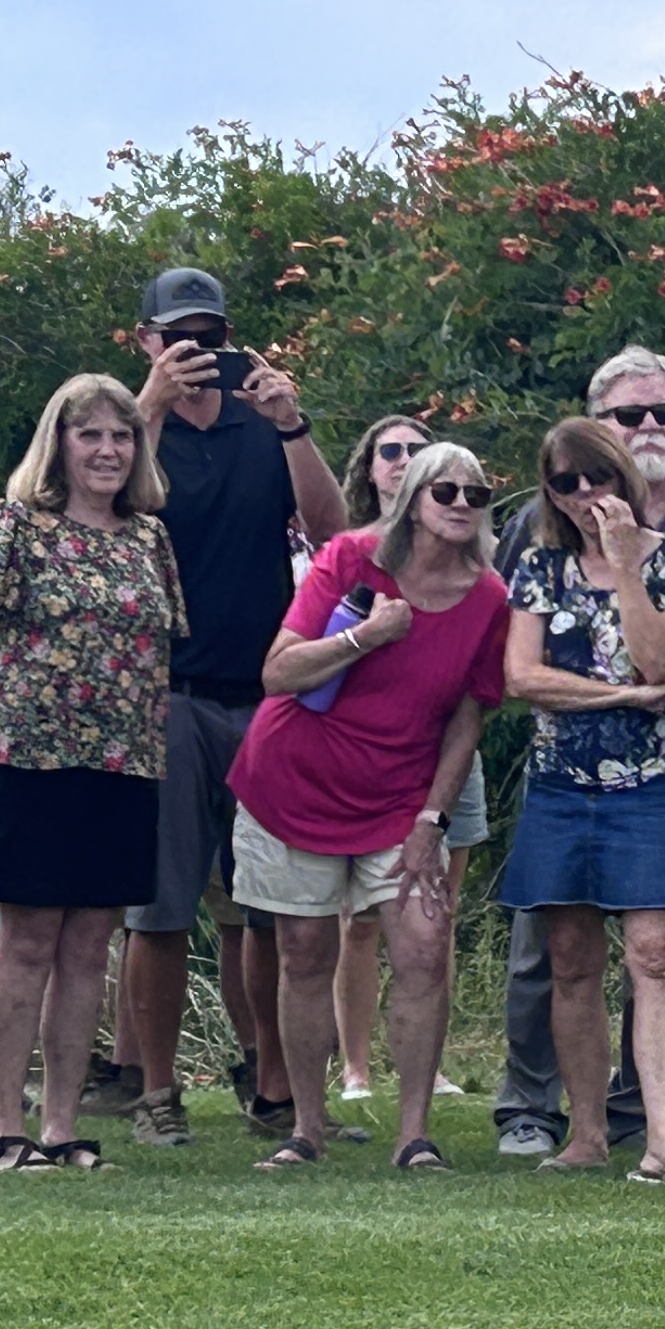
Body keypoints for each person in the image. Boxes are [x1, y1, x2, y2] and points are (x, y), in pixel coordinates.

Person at [234, 439, 510, 1172]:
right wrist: (366, 635)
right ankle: (307, 1129)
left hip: (400, 795)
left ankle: (413, 1135)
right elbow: (278, 672)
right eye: (443, 491)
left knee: (422, 948)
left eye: (474, 495)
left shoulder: (488, 597)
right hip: (294, 779)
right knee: (304, 951)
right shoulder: (352, 560)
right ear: (412, 497)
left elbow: (468, 716)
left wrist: (433, 819)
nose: (459, 505)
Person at [492, 350, 665, 1160]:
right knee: (568, 959)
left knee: (657, 955)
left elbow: (660, 660)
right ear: (549, 491)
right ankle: (588, 1136)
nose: (584, 496)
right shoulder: (536, 563)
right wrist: (620, 699)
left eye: (597, 479)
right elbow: (522, 677)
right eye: (565, 484)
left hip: (656, 783)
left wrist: (629, 566)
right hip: (564, 783)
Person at [119, 266, 346, 1147]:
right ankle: (156, 1091)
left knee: (269, 904)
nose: (196, 352)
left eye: (209, 335)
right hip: (166, 694)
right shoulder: (135, 428)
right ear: (145, 340)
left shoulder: (262, 424)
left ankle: (275, 1085)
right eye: (177, 336)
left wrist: (293, 424)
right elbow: (99, 505)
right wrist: (150, 402)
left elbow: (331, 535)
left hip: (264, 695)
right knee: (163, 905)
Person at [0, 375, 185, 1169]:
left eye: (122, 436)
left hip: (123, 762)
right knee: (26, 940)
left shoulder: (150, 537)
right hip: (28, 756)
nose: (108, 450)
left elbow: (163, 642)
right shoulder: (11, 524)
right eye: (90, 435)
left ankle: (61, 1123)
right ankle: (6, 1128)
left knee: (90, 946)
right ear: (60, 442)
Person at [320, 411, 485, 1107]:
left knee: (433, 909)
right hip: (362, 754)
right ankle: (356, 1066)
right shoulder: (348, 554)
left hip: (449, 747)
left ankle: (427, 1063)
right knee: (357, 919)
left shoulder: (477, 561)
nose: (406, 461)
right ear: (373, 469)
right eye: (393, 452)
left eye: (419, 451)